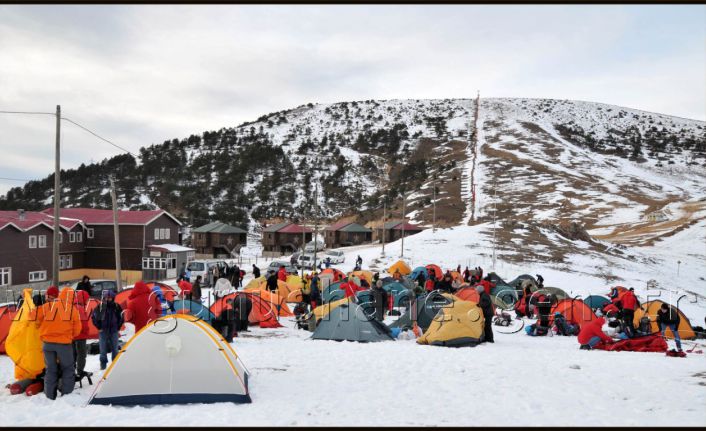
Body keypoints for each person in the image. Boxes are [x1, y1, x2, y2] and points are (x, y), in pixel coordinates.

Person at [35, 287, 82, 399]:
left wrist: (42, 327)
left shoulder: (47, 306)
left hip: (47, 344)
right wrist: (70, 336)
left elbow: (34, 317)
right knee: (68, 368)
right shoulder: (72, 310)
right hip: (64, 344)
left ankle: (49, 395)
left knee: (50, 369)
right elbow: (77, 329)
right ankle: (66, 395)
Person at [91, 290, 124, 370]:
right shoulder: (100, 307)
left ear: (113, 298)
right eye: (106, 298)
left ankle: (115, 367)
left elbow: (121, 317)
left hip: (114, 331)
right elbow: (94, 318)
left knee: (115, 350)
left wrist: (118, 327)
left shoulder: (116, 306)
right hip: (103, 332)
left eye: (110, 298)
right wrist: (99, 327)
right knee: (103, 351)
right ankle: (103, 366)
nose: (108, 299)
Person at [72, 289, 91, 379]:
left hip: (73, 335)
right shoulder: (80, 308)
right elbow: (83, 323)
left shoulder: (73, 306)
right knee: (81, 354)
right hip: (80, 335)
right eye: (87, 299)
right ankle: (80, 371)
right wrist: (87, 331)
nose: (87, 301)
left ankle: (72, 371)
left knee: (73, 354)